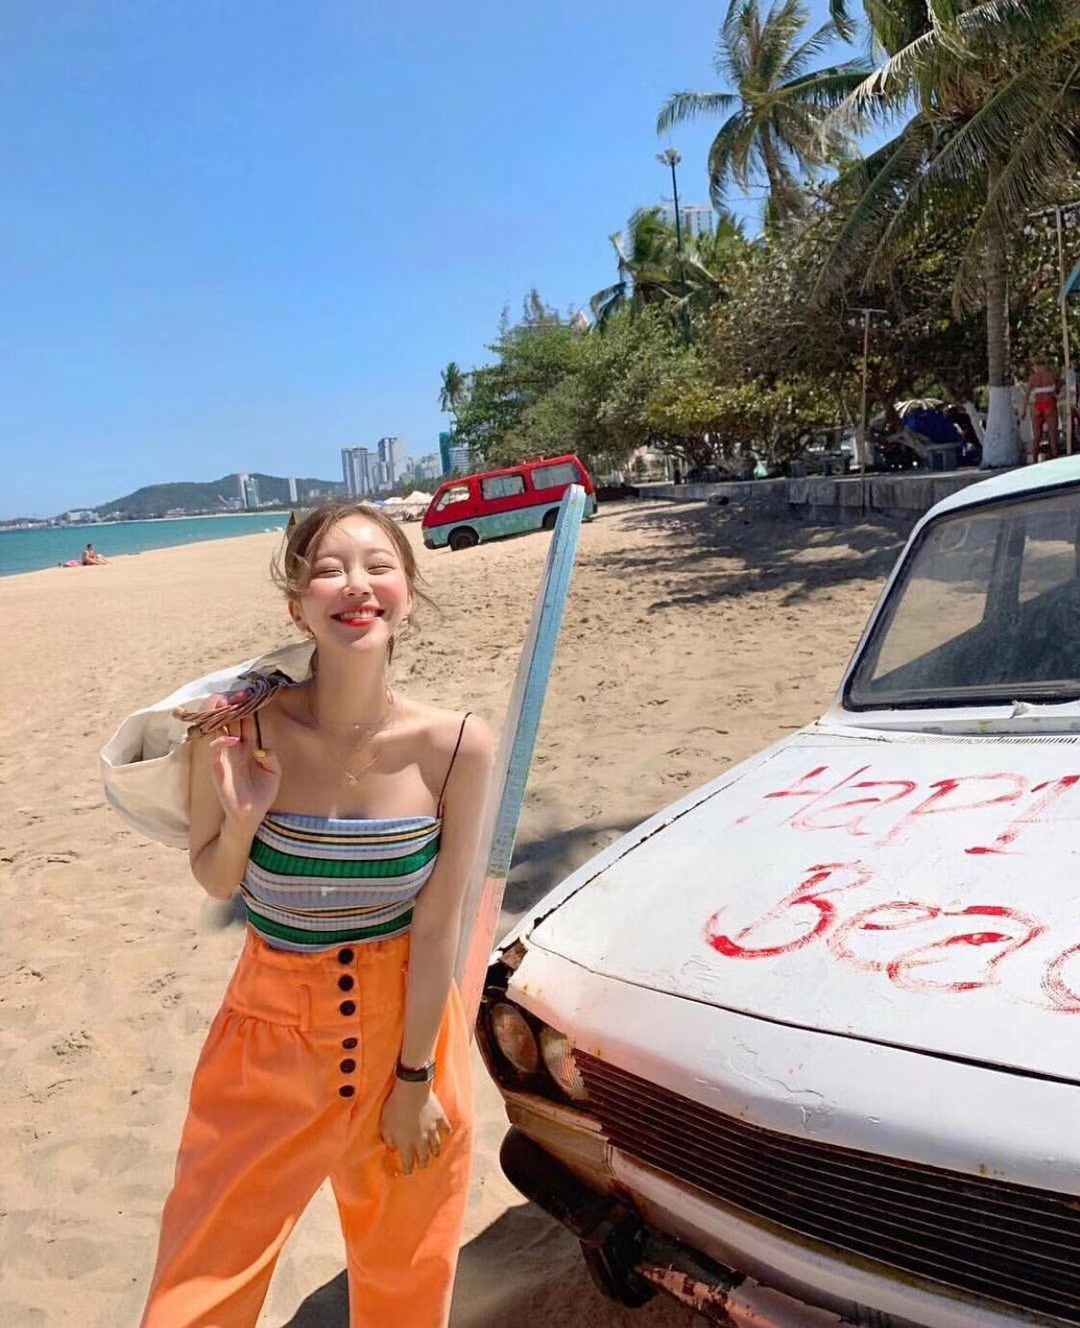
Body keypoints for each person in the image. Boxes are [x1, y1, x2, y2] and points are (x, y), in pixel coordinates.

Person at [139, 500, 494, 1328]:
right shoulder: (235, 729)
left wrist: (415, 1081)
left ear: (408, 592)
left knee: (407, 1283)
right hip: (268, 1037)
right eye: (329, 570)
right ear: (298, 605)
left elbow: (439, 923)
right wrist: (244, 821)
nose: (356, 585)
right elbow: (216, 880)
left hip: (409, 1035)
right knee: (198, 1288)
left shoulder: (457, 746)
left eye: (379, 566)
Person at [1023, 362, 1061, 462]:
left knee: (1037, 435)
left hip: (1037, 405)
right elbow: (1059, 386)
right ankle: (1055, 457)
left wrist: (1023, 410)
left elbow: (1026, 395)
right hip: (1049, 402)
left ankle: (1034, 459)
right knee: (1052, 434)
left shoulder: (1033, 377)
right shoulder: (1052, 374)